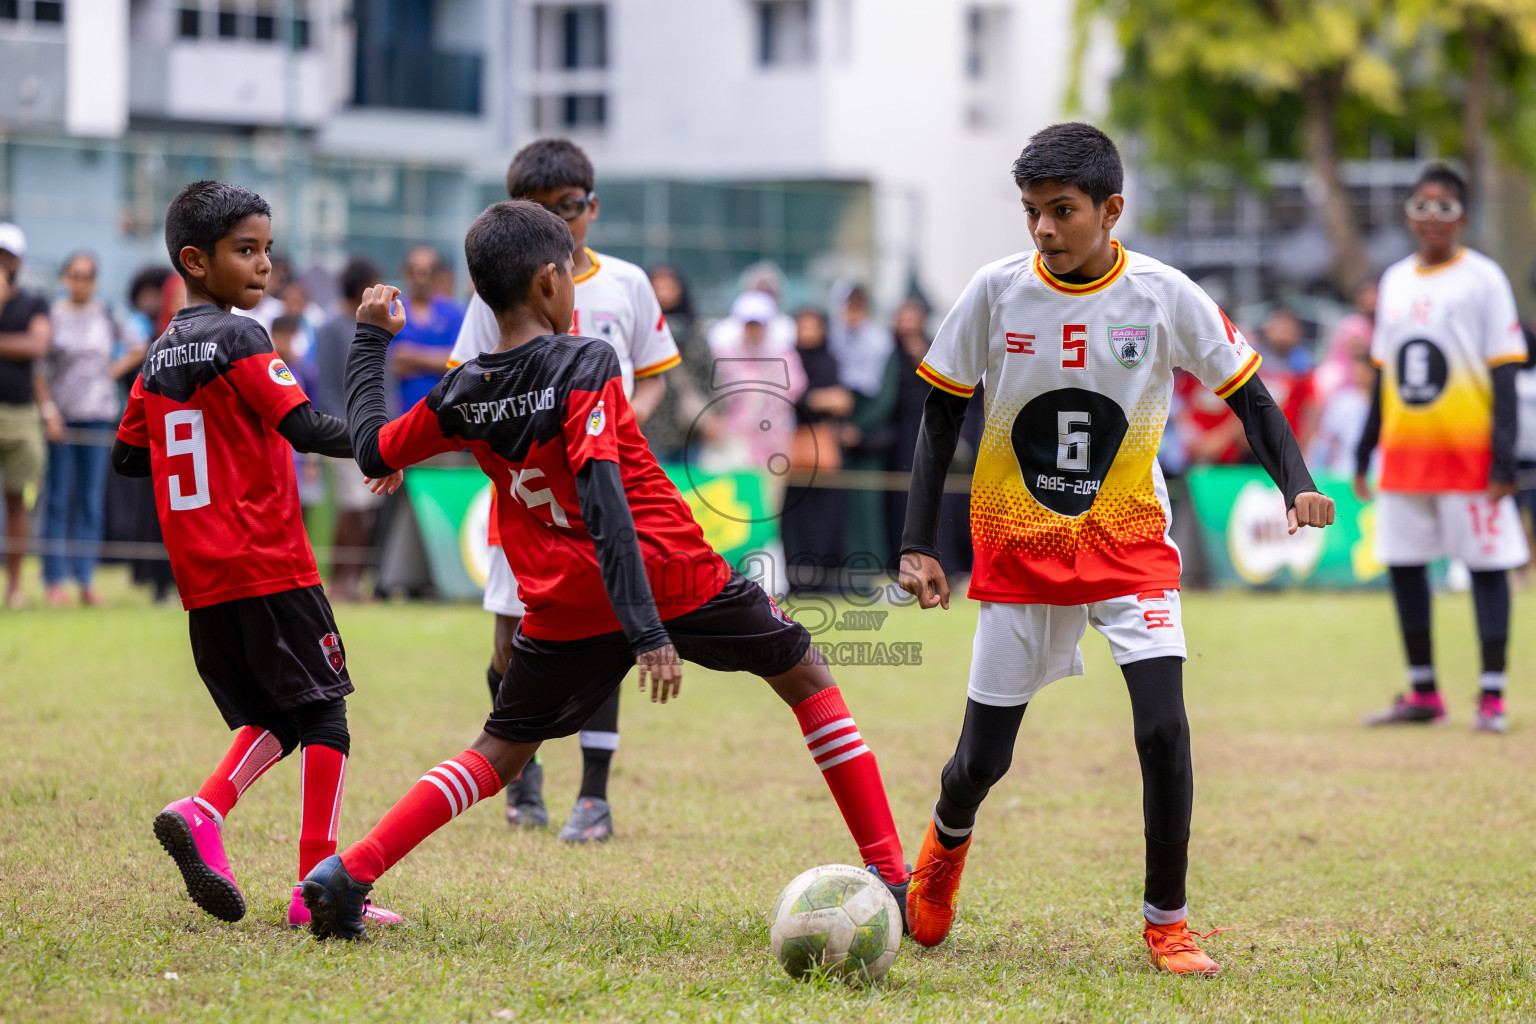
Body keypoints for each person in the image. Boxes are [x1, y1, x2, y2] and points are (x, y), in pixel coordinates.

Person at [301, 199, 909, 941]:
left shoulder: (462, 392)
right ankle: (892, 877)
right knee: (807, 675)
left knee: (500, 749)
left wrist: (370, 341)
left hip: (561, 601)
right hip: (670, 573)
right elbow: (605, 499)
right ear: (554, 283)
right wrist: (646, 627)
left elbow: (370, 449)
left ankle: (350, 870)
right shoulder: (583, 360)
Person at [896, 123, 1335, 975]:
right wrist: (917, 544)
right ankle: (943, 854)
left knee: (1164, 731)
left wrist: (1297, 482)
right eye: (1032, 213)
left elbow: (1249, 394)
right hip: (1020, 547)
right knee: (981, 761)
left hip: (1129, 543)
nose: (1044, 232)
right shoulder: (994, 291)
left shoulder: (1165, 294)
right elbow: (942, 410)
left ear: (1112, 209)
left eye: (1062, 212)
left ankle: (1167, 922)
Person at [111, 180, 402, 931]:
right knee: (328, 717)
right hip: (268, 559)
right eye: (246, 250)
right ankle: (316, 891)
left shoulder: (157, 355)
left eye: (267, 249)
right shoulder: (244, 337)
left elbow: (128, 456)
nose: (264, 265)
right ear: (194, 261)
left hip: (204, 578)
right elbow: (302, 425)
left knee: (283, 713)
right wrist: (378, 442)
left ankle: (205, 811)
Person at [448, 139, 678, 842]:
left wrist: (611, 431)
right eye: (545, 211)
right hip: (526, 498)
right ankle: (522, 773)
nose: (563, 222)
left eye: (572, 208)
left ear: (592, 207)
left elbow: (656, 374)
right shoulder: (499, 292)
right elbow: (466, 384)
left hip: (603, 495)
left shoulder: (627, 284)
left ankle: (594, 798)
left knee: (607, 633)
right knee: (510, 642)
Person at [1356, 165, 1530, 733]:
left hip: (1468, 458)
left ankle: (1492, 695)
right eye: (1423, 207)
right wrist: (1364, 451)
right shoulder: (1395, 281)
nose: (1434, 219)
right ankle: (1424, 692)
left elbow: (1505, 373)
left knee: (1486, 567)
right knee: (1405, 567)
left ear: (1464, 216)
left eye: (1447, 208)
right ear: (1408, 213)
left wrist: (1505, 458)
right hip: (1406, 459)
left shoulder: (1484, 279)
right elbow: (1385, 376)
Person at [37, 252, 138, 606]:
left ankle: (85, 579)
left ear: (94, 280)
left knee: (90, 501)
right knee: (58, 498)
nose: (80, 282)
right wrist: (48, 410)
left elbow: (139, 345)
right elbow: (40, 366)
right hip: (61, 419)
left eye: (87, 276)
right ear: (65, 278)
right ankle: (53, 580)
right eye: (75, 275)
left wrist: (111, 371)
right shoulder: (52, 315)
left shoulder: (107, 314)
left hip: (98, 415)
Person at [886, 297, 980, 579]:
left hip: (937, 437)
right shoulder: (889, 355)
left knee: (942, 500)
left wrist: (924, 359)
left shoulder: (938, 348)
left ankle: (947, 564)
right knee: (902, 503)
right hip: (901, 443)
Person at [312, 257, 386, 602]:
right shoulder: (330, 327)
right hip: (346, 434)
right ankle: (341, 580)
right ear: (360, 287)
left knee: (367, 510)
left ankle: (355, 579)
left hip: (375, 433)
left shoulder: (377, 324)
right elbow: (327, 385)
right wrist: (343, 431)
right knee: (353, 506)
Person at [0, 223, 52, 609]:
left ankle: (14, 588)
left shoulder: (33, 301)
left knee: (18, 500)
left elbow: (37, 344)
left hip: (20, 413)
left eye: (7, 256)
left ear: (18, 260)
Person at [781, 307, 851, 588]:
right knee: (794, 516)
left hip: (823, 451)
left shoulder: (830, 360)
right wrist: (820, 399)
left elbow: (844, 402)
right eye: (803, 326)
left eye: (813, 326)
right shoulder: (786, 359)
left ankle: (825, 580)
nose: (808, 332)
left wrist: (809, 398)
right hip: (789, 449)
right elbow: (788, 396)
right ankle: (797, 578)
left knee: (826, 516)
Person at [829, 284, 898, 567]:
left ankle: (869, 570)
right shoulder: (833, 339)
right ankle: (843, 570)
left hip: (869, 436)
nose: (852, 313)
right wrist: (839, 425)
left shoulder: (881, 343)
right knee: (839, 506)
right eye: (848, 306)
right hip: (835, 434)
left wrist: (858, 427)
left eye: (857, 306)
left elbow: (886, 395)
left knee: (867, 505)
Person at [388, 245, 464, 414]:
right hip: (400, 413)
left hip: (444, 413)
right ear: (405, 273)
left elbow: (459, 363)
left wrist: (411, 356)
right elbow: (391, 364)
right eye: (415, 271)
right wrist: (438, 360)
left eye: (427, 272)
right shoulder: (392, 314)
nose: (420, 279)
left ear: (437, 276)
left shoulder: (454, 314)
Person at [1254, 305, 1318, 449]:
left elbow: (1310, 407)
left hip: (1288, 444)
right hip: (1254, 444)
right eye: (1278, 330)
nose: (1282, 335)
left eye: (1286, 331)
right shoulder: (1254, 363)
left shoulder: (1301, 369)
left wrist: (1304, 443)